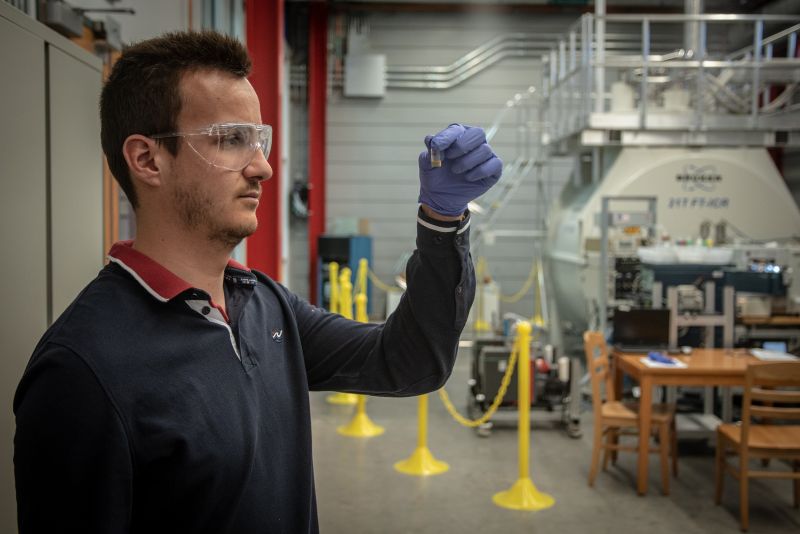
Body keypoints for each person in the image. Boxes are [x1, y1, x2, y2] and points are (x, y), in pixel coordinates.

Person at [13, 31, 502, 533]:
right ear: (147, 160)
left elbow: (411, 362)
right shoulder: (82, 372)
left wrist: (442, 221)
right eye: (230, 139)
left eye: (258, 139)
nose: (264, 167)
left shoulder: (263, 305)